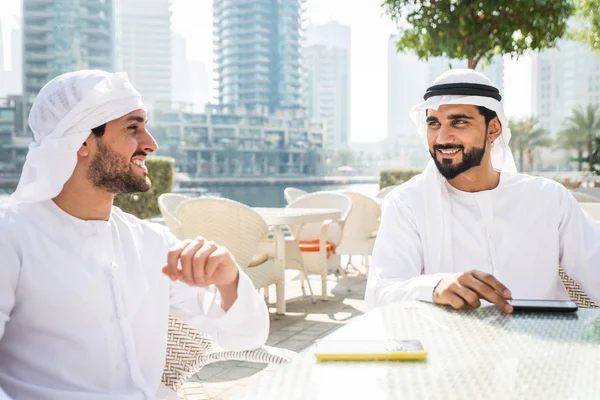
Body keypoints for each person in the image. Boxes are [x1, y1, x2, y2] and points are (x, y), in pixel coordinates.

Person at [0, 70, 270, 400]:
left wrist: (228, 280)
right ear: (81, 141)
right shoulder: (11, 238)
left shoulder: (152, 243)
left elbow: (247, 337)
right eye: (133, 128)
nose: (151, 144)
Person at [365, 68, 600, 313]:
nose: (442, 137)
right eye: (434, 123)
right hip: (450, 346)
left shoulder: (549, 198)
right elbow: (381, 294)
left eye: (459, 122)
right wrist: (434, 287)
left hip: (550, 343)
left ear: (493, 129)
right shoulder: (407, 204)